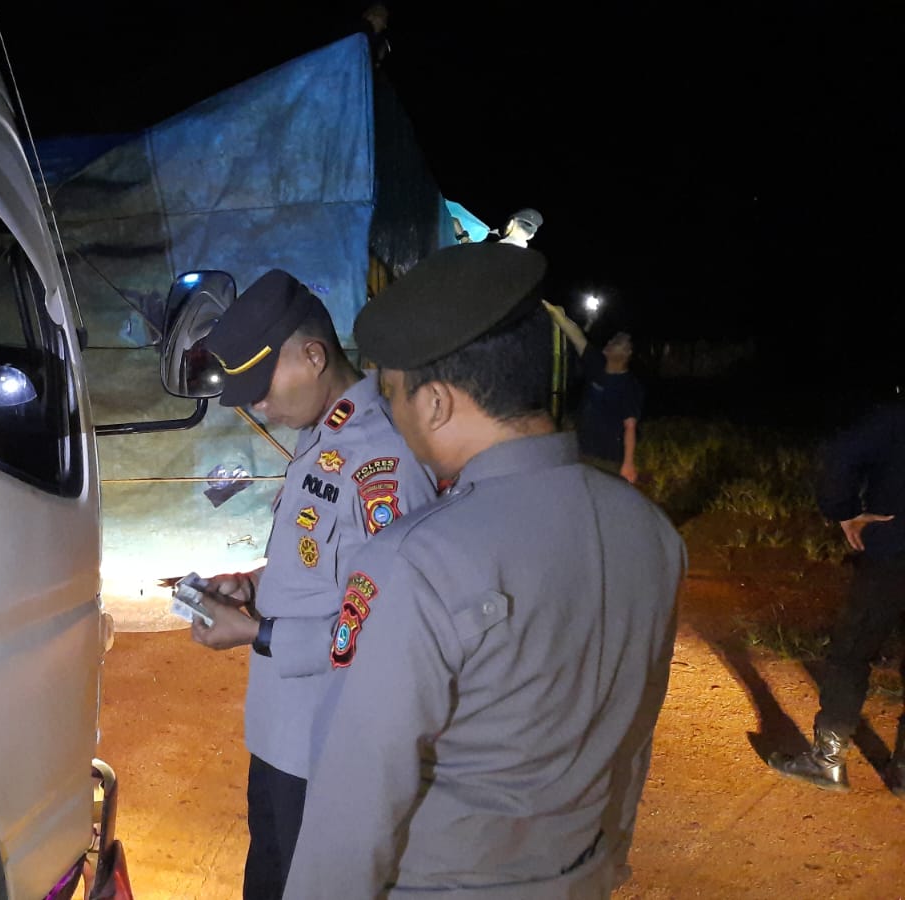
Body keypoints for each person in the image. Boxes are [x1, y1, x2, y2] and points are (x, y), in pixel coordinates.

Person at [282, 243, 685, 898]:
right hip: (581, 876)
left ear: (436, 403)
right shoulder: (651, 531)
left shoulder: (412, 562)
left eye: (392, 396)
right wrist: (609, 862)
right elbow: (634, 735)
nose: (391, 418)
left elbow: (356, 796)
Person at [186, 269, 436, 900]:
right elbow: (318, 563)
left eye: (260, 390)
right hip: (278, 735)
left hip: (328, 746)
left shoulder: (385, 458)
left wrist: (261, 632)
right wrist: (252, 584)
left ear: (312, 355)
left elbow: (387, 621)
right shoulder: (322, 434)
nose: (257, 407)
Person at [768, 400, 905, 797]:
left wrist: (843, 510)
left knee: (852, 651)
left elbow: (840, 455)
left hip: (891, 552)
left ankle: (827, 760)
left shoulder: (895, 418)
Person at [545, 302, 643, 483]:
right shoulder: (596, 364)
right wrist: (557, 315)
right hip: (582, 452)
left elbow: (630, 426)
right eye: (613, 340)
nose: (610, 343)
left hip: (609, 460)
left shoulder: (630, 386)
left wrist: (628, 463)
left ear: (627, 352)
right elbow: (576, 336)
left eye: (618, 342)